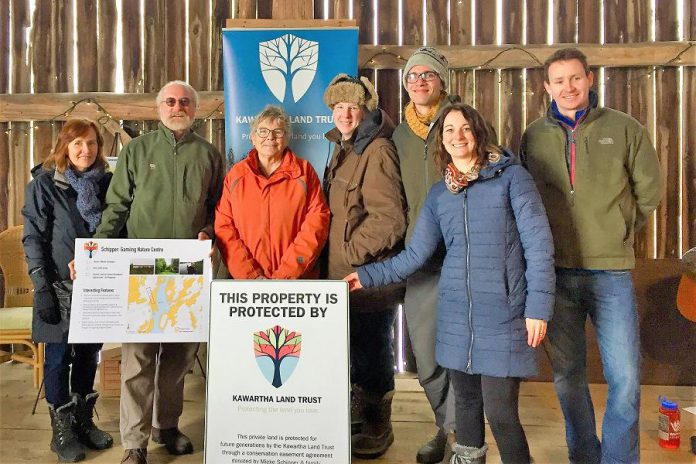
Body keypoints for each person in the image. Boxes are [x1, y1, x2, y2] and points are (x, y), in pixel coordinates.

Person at [346, 103, 555, 464]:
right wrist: (366, 276)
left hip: (503, 316)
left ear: (478, 131)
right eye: (449, 131)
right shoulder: (440, 195)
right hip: (457, 318)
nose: (458, 136)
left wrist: (538, 308)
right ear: (441, 141)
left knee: (502, 414)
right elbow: (415, 257)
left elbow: (539, 244)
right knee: (468, 408)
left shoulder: (511, 179)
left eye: (465, 128)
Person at [520, 48, 663, 464]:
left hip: (611, 274)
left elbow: (649, 192)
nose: (568, 87)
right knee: (567, 377)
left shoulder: (625, 128)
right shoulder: (533, 136)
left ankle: (618, 459)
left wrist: (617, 231)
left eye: (575, 78)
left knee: (626, 377)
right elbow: (525, 200)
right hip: (557, 274)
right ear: (547, 87)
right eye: (559, 81)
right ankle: (583, 455)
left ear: (590, 79)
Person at [94, 81, 225, 464]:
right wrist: (96, 251)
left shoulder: (209, 154)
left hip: (188, 271)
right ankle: (134, 443)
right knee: (137, 358)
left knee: (179, 357)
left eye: (185, 101)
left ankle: (166, 426)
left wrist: (211, 231)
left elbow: (220, 208)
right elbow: (116, 207)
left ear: (195, 109)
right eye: (170, 101)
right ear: (158, 108)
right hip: (143, 270)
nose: (177, 106)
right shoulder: (136, 151)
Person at [322, 74, 407, 459]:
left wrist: (351, 253)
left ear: (365, 109)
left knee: (373, 353)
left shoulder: (378, 150)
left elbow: (389, 219)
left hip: (367, 279)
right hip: (344, 278)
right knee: (355, 351)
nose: (345, 113)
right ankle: (358, 416)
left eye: (352, 107)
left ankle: (378, 425)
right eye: (339, 107)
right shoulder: (344, 148)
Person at [22, 119, 114, 462]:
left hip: (96, 287)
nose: (85, 150)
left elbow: (115, 229)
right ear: (64, 146)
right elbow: (33, 237)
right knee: (59, 358)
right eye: (77, 143)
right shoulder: (45, 184)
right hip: (56, 286)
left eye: (90, 143)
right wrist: (41, 285)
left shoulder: (107, 183)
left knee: (89, 354)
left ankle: (82, 420)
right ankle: (61, 431)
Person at [392, 46, 460, 464]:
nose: (419, 81)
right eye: (412, 75)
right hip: (420, 260)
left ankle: (463, 438)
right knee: (426, 354)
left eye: (427, 75)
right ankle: (449, 427)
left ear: (442, 82)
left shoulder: (462, 123)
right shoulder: (399, 134)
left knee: (465, 357)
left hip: (464, 256)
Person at [214, 104, 329, 279]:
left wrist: (285, 275)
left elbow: (316, 223)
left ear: (287, 138)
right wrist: (250, 276)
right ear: (252, 137)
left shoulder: (304, 172)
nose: (270, 137)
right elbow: (224, 227)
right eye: (263, 131)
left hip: (296, 283)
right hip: (247, 285)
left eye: (278, 132)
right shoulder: (236, 175)